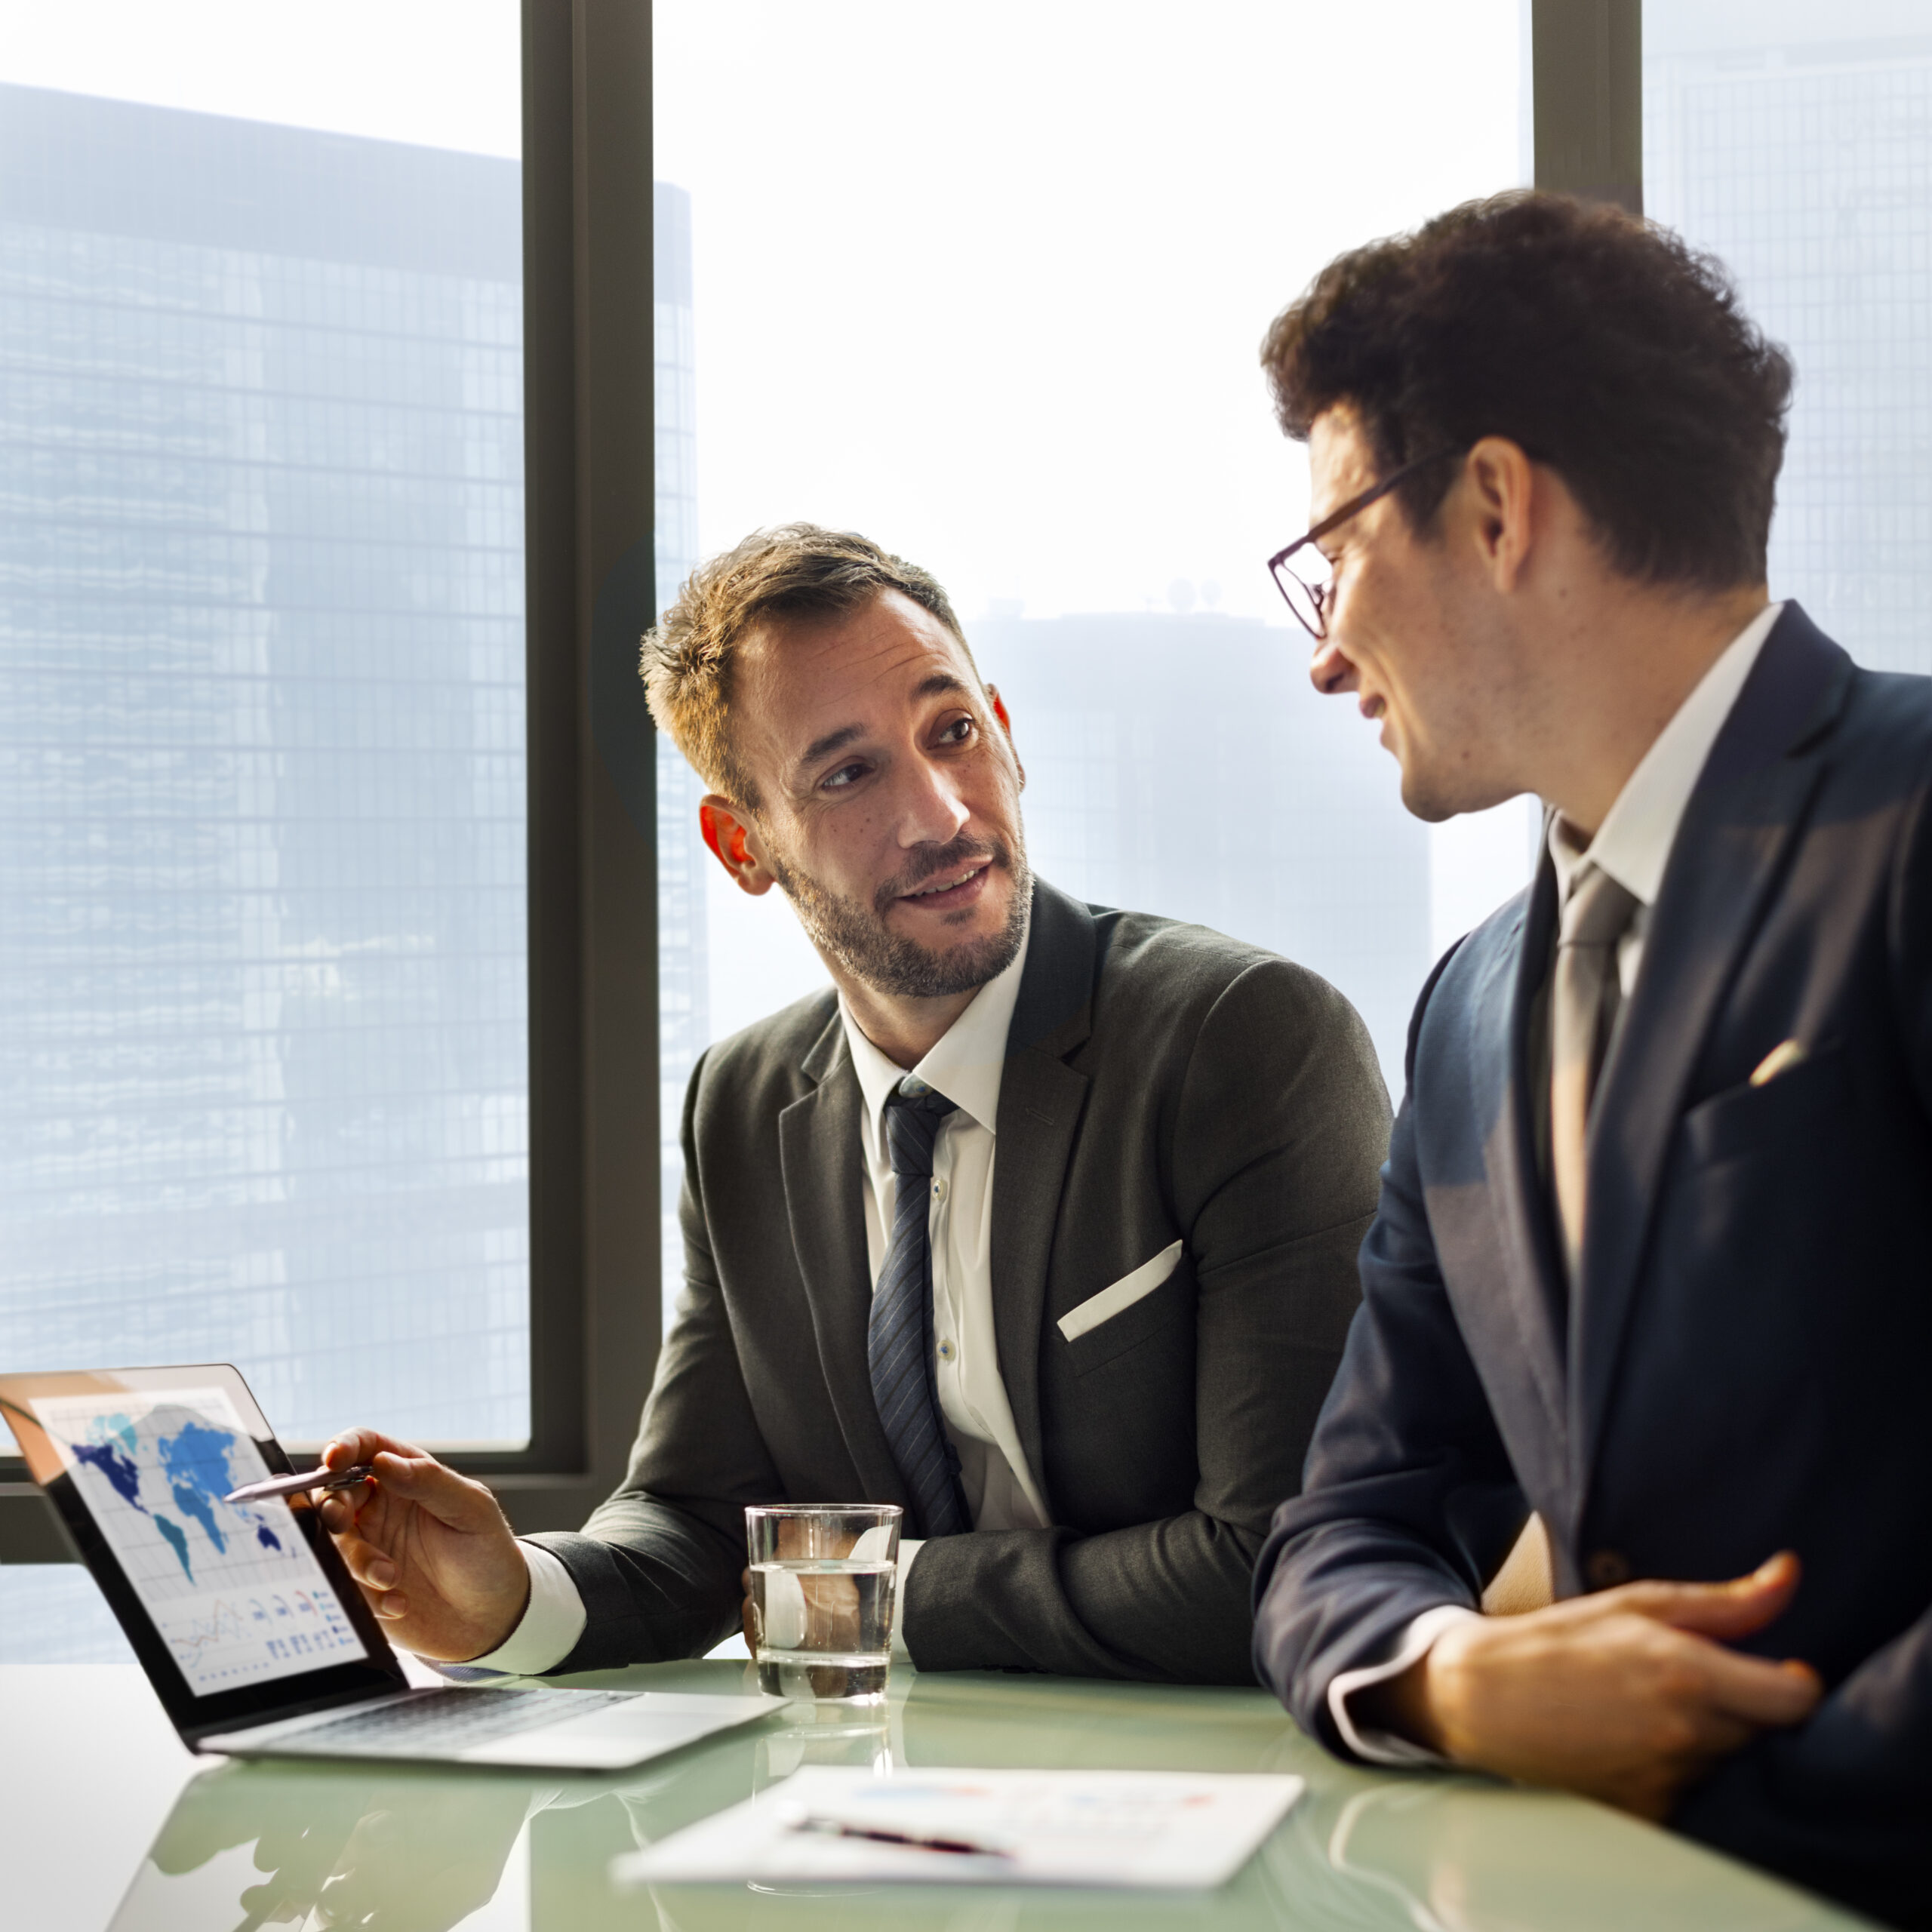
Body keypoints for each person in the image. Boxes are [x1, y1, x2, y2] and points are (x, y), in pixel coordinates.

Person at [319, 522, 1390, 1684]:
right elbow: (698, 1523)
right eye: (847, 773)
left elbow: (1287, 1557)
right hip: (882, 1805)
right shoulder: (742, 1104)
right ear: (743, 845)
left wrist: (884, 1589)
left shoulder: (1248, 1041)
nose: (939, 814)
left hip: (1225, 1801)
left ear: (1011, 739)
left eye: (954, 732)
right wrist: (512, 1600)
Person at [1247, 191, 1932, 1927]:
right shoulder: (1465, 1007)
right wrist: (1452, 1678)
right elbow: (1342, 1520)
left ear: (1490, 503)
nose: (1321, 647)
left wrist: (1735, 1791)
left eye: (1328, 552)